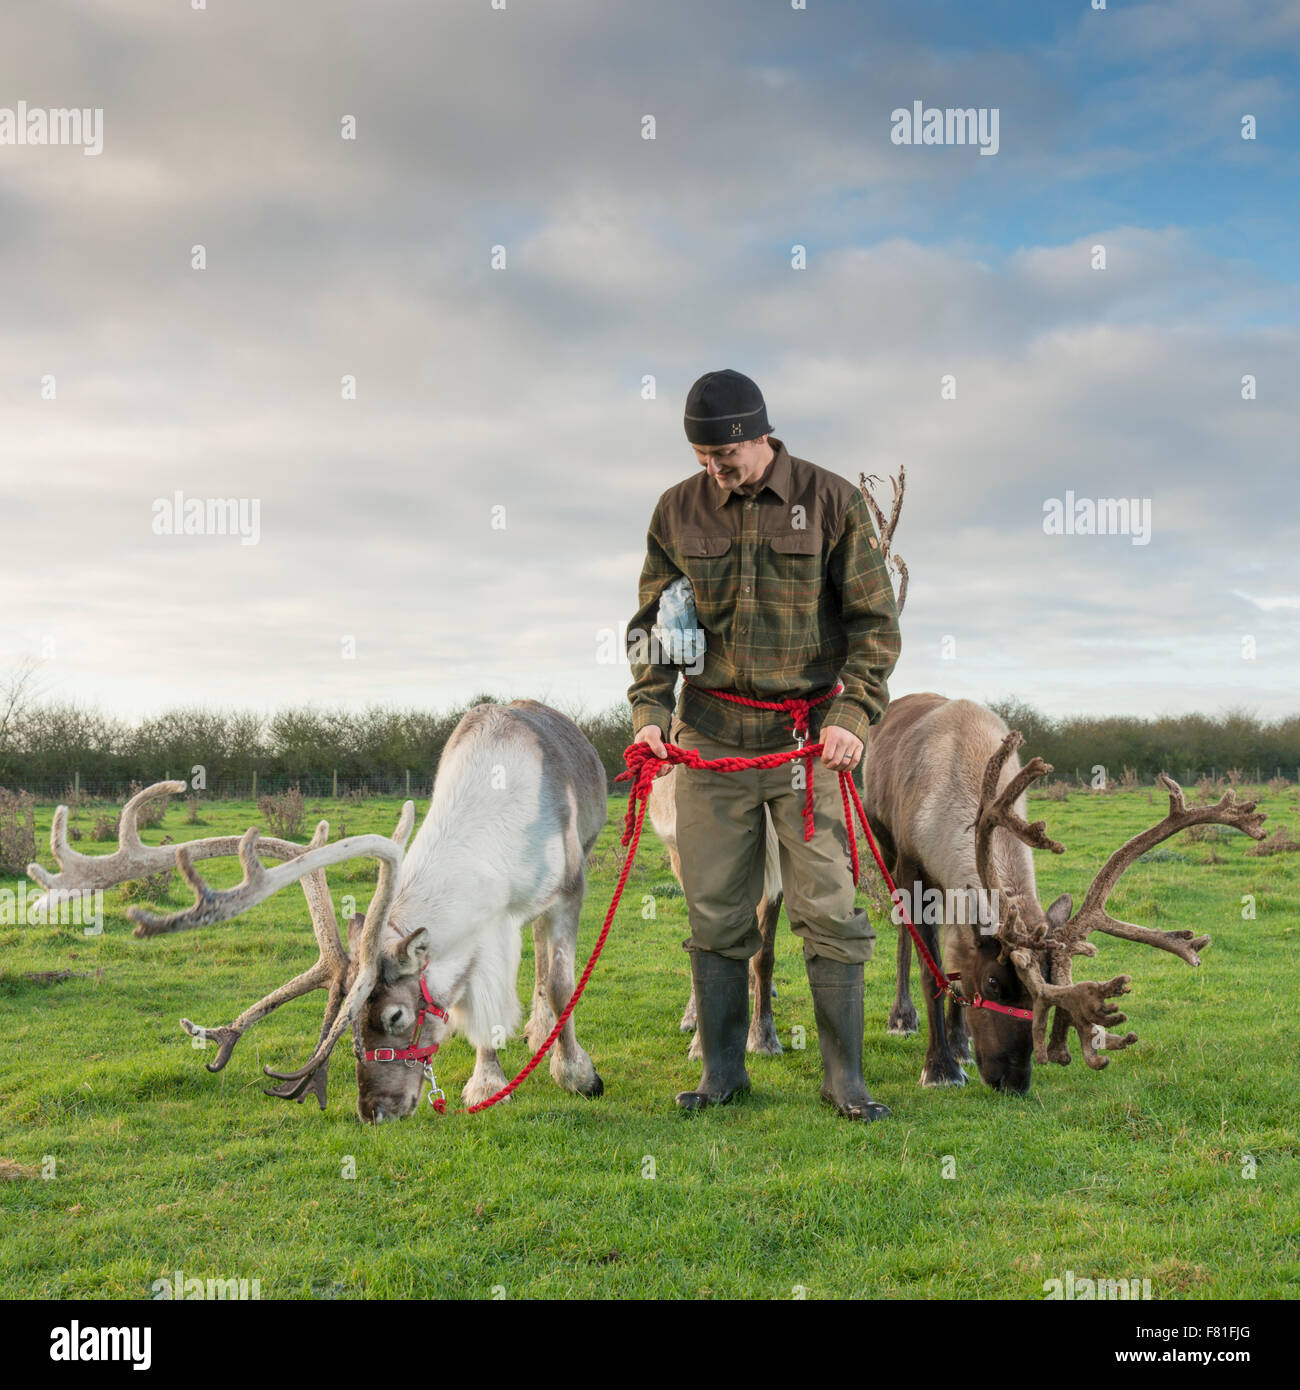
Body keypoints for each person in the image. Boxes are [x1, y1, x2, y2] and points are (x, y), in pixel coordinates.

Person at [626, 369, 902, 1120]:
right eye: (702, 458)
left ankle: (844, 1080)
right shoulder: (676, 511)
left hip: (806, 745)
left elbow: (875, 628)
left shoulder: (834, 501)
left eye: (726, 457)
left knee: (830, 910)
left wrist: (854, 715)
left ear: (759, 436)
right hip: (710, 742)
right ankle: (722, 1076)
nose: (713, 471)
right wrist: (650, 710)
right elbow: (653, 624)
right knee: (714, 912)